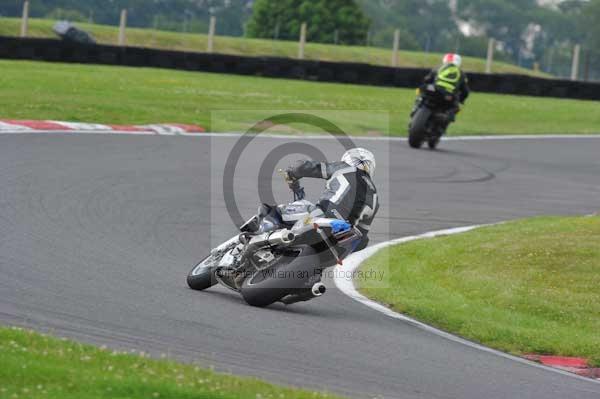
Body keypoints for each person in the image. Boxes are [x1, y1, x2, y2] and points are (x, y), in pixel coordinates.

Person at [241, 148, 379, 252]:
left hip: (322, 215)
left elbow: (302, 167)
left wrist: (291, 174)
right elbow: (362, 237)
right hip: (341, 237)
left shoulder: (345, 168)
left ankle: (251, 242)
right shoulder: (375, 197)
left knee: (270, 211)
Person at [422, 53, 470, 129]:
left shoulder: (438, 68)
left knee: (423, 89)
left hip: (434, 90)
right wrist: (461, 100)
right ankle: (445, 119)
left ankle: (417, 106)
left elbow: (427, 80)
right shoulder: (461, 73)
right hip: (449, 95)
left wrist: (426, 86)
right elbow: (465, 91)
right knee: (455, 107)